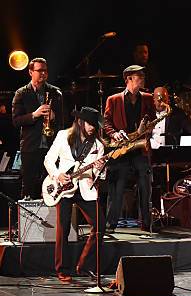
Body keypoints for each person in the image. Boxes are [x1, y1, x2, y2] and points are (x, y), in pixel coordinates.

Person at [43, 107, 106, 282]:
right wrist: (57, 175)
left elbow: (100, 176)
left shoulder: (98, 145)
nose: (93, 127)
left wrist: (100, 170)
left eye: (95, 124)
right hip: (62, 188)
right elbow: (48, 159)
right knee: (63, 228)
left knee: (100, 226)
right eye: (90, 123)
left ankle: (84, 266)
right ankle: (62, 269)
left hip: (85, 189)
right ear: (80, 122)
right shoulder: (63, 136)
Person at [103, 65, 155, 233]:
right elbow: (106, 122)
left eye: (142, 75)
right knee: (117, 186)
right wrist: (114, 134)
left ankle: (146, 223)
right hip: (121, 148)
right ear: (128, 79)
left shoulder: (148, 98)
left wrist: (146, 129)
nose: (142, 77)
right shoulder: (114, 99)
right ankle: (111, 224)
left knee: (145, 186)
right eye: (138, 75)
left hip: (139, 148)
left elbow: (152, 119)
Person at [12, 58, 62, 199]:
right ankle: (26, 220)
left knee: (52, 185)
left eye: (45, 71)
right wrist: (34, 115)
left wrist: (54, 117)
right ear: (30, 72)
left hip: (51, 146)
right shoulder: (21, 93)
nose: (43, 73)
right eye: (40, 70)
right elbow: (16, 121)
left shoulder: (56, 92)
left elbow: (64, 121)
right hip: (30, 147)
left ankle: (51, 220)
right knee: (29, 185)